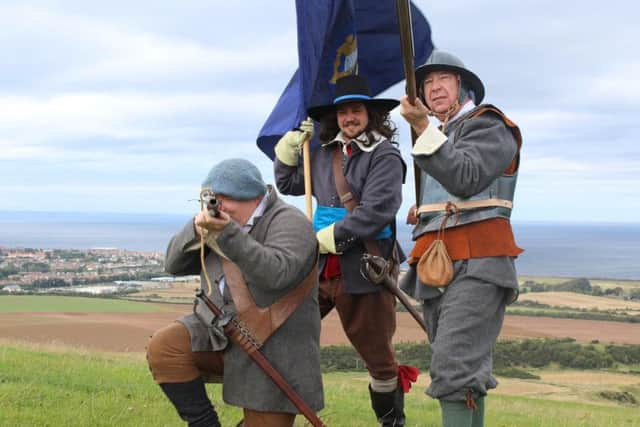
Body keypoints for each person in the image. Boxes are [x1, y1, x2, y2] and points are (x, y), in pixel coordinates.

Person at [274, 74, 410, 426]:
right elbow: (289, 183)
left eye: (356, 110)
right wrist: (289, 150)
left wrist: (327, 236)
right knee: (282, 331)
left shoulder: (385, 156)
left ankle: (391, 422)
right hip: (318, 268)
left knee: (378, 359)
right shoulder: (322, 153)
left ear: (370, 114)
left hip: (365, 268)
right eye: (343, 112)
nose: (349, 117)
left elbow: (377, 211)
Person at [146, 158, 323, 427]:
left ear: (252, 196)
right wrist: (195, 230)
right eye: (214, 199)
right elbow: (172, 264)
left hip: (272, 343)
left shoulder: (291, 222)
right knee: (166, 347)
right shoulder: (221, 221)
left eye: (225, 198)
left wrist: (228, 233)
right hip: (219, 332)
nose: (220, 205)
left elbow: (276, 274)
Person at [398, 49, 523, 427]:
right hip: (438, 265)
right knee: (464, 373)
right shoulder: (442, 134)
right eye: (427, 83)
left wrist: (422, 129)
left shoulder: (489, 125)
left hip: (480, 262)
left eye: (443, 80)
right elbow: (453, 193)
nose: (434, 88)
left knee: (452, 368)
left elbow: (466, 177)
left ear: (462, 86)